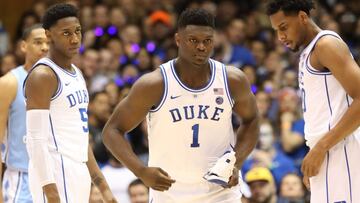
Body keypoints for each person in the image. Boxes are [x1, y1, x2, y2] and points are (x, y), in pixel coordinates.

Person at [103, 8, 259, 202]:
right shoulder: (154, 84)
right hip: (169, 194)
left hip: (220, 192)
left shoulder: (232, 79)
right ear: (178, 40)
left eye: (207, 41)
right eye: (193, 40)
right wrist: (141, 171)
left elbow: (252, 120)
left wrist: (236, 162)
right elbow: (112, 130)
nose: (201, 47)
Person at [267, 0, 360, 202]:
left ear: (302, 17)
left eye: (283, 27)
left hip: (341, 150)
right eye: (276, 30)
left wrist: (321, 147)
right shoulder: (308, 51)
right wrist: (315, 152)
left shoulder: (326, 45)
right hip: (327, 151)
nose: (280, 36)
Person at [24, 3, 116, 202]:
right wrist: (51, 193)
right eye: (66, 33)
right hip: (54, 170)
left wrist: (103, 186)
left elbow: (82, 138)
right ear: (48, 35)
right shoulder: (42, 75)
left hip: (78, 168)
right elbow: (35, 140)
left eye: (77, 31)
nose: (75, 39)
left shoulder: (77, 74)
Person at [0, 24, 48, 202]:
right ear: (23, 46)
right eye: (38, 42)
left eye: (49, 42)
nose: (45, 47)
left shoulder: (64, 81)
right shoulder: (9, 83)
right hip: (22, 178)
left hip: (56, 176)